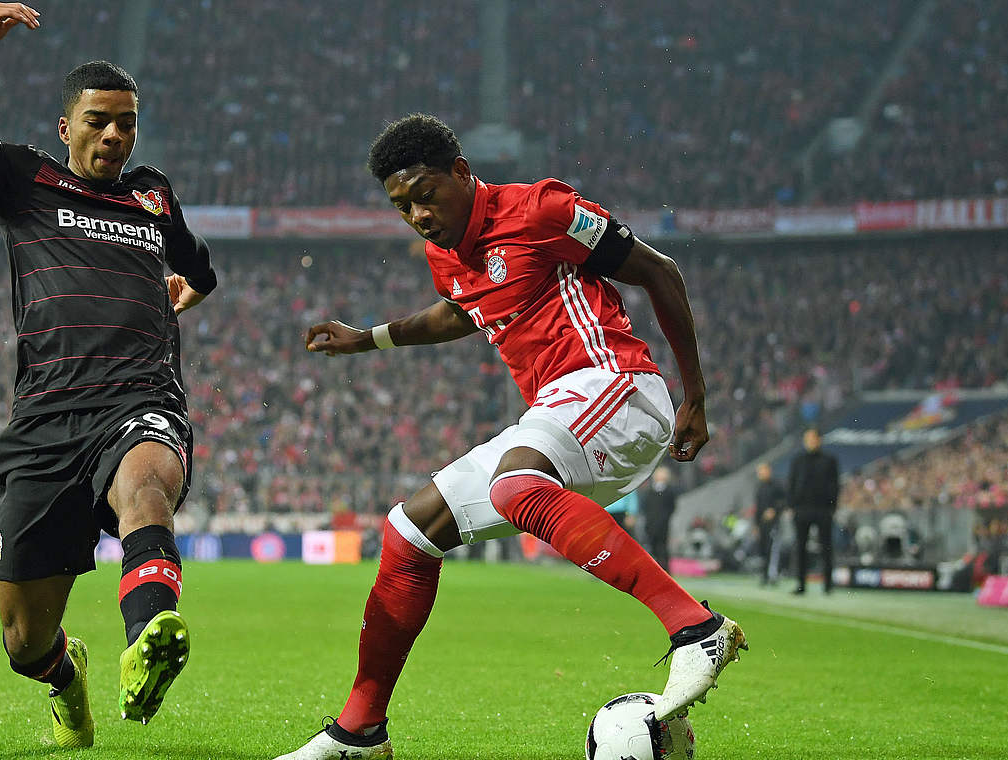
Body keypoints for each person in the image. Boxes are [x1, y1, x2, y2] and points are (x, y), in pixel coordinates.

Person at [276, 114, 747, 760]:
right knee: (409, 531)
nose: (416, 214)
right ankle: (361, 732)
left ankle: (696, 627)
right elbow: (460, 312)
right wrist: (372, 337)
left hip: (619, 385)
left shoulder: (543, 211)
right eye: (400, 206)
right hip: (556, 416)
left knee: (514, 482)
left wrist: (696, 395)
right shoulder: (446, 256)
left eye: (424, 193)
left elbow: (661, 272)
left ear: (462, 174)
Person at [0, 3, 218, 746]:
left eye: (127, 122)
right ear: (66, 128)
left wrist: (190, 288)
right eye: (99, 121)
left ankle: (149, 636)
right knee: (24, 642)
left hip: (140, 400)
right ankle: (69, 677)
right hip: (43, 425)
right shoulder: (21, 178)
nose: (115, 136)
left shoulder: (152, 196)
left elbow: (199, 265)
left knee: (148, 484)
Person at [787, 428, 839, 594]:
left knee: (827, 547)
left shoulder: (829, 460)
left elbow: (835, 485)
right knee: (801, 548)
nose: (810, 442)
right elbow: (791, 483)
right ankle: (801, 585)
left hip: (823, 510)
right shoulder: (798, 460)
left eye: (813, 439)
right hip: (802, 510)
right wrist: (792, 506)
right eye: (807, 439)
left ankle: (828, 585)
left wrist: (832, 507)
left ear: (819, 440)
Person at [752, 462, 786, 585]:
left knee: (773, 548)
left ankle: (773, 575)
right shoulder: (759, 487)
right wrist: (755, 525)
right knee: (764, 548)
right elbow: (758, 507)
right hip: (762, 524)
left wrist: (774, 510)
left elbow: (784, 500)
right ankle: (765, 574)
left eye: (763, 471)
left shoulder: (777, 485)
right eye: (759, 472)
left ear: (769, 471)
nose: (761, 474)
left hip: (774, 523)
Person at [644, 467, 679, 570]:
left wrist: (665, 518)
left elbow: (672, 507)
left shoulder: (669, 491)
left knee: (663, 547)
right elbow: (646, 507)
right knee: (652, 546)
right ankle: (655, 568)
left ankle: (666, 569)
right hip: (651, 524)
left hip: (663, 524)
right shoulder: (650, 491)